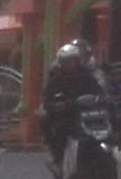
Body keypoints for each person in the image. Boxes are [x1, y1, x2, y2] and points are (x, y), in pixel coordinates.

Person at [41, 40, 105, 170]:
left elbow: (98, 89)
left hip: (87, 111)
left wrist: (102, 98)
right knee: (60, 129)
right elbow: (48, 98)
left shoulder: (86, 76)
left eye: (72, 61)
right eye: (67, 62)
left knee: (110, 119)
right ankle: (57, 157)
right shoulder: (56, 79)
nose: (70, 65)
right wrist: (57, 105)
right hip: (68, 114)